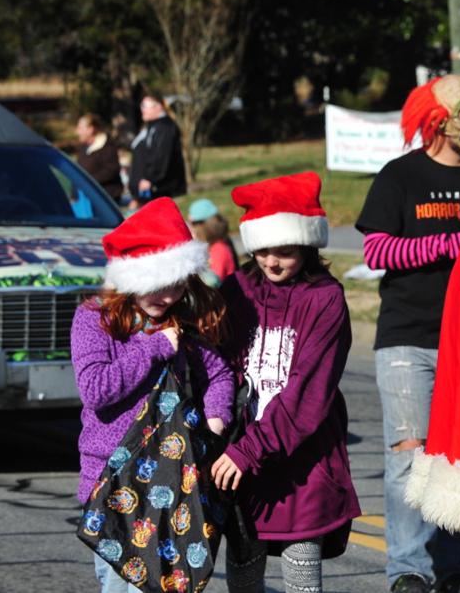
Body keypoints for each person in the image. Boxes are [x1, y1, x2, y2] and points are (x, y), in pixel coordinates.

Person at [355, 75, 460, 593]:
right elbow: (376, 253)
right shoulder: (400, 177)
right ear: (436, 121)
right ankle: (409, 571)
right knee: (410, 459)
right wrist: (451, 243)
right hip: (407, 339)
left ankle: (455, 566)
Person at [71, 197, 233, 593]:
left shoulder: (184, 322)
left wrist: (216, 417)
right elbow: (96, 390)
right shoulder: (95, 320)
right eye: (157, 287)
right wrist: (154, 348)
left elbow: (220, 373)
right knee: (117, 584)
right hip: (110, 480)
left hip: (173, 481)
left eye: (176, 286)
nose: (167, 297)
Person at [211, 171, 361, 593]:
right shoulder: (237, 289)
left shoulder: (325, 298)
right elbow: (215, 363)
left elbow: (307, 395)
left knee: (300, 577)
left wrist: (248, 451)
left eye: (285, 252)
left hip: (303, 461)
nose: (272, 262)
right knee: (243, 574)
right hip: (241, 457)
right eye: (263, 251)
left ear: (308, 247)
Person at [128, 94, 187, 205]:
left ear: (158, 107)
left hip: (159, 188)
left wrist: (149, 178)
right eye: (141, 106)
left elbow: (161, 156)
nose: (142, 109)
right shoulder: (152, 126)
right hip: (148, 189)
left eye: (145, 106)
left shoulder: (165, 127)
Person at [75, 113, 124, 203]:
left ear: (90, 129)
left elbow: (111, 171)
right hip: (85, 199)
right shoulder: (83, 148)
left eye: (80, 128)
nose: (77, 132)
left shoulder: (107, 147)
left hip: (106, 200)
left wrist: (87, 180)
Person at [188, 198, 238, 284]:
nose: (191, 229)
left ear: (202, 226)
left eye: (192, 224)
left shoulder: (219, 249)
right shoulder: (214, 246)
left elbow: (213, 282)